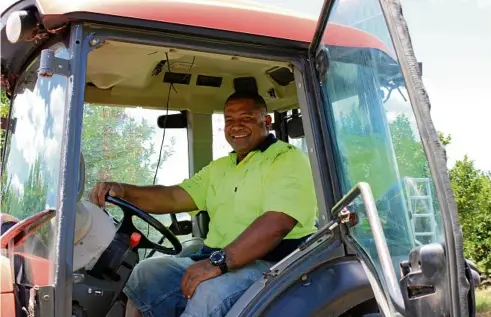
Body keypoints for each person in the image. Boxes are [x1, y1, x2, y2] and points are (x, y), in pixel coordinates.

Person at [89, 91, 318, 317]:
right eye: (229, 120)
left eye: (246, 118)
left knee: (208, 292)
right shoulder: (221, 167)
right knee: (146, 272)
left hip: (272, 264)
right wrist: (123, 190)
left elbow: (277, 223)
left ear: (266, 121)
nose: (236, 127)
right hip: (217, 258)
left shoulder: (286, 159)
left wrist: (217, 263)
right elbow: (173, 197)